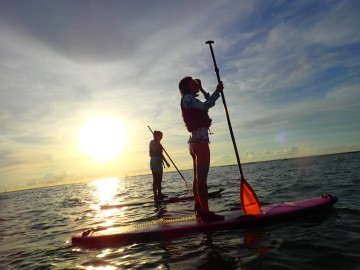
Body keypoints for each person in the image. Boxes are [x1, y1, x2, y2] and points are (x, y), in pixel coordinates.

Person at [179, 76, 224, 222]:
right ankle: (205, 212)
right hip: (200, 142)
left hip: (194, 142)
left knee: (197, 178)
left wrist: (203, 89)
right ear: (186, 86)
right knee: (202, 179)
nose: (195, 82)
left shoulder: (189, 99)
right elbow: (205, 106)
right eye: (192, 81)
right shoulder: (187, 98)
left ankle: (198, 208)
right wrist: (217, 92)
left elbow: (204, 102)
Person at [149, 130, 170, 200]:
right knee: (155, 178)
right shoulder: (152, 142)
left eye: (161, 136)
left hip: (159, 161)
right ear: (156, 136)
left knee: (160, 179)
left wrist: (166, 162)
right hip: (154, 161)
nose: (161, 137)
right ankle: (155, 195)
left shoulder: (160, 144)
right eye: (160, 136)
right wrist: (157, 142)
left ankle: (160, 193)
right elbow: (154, 149)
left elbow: (161, 154)